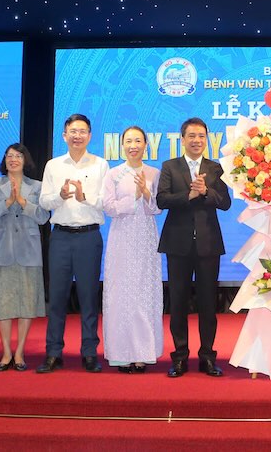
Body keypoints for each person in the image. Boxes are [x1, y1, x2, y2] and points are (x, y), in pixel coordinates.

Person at [157, 117, 232, 378]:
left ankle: (207, 356)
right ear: (183, 139)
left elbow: (225, 203)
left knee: (208, 303)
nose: (196, 140)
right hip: (177, 245)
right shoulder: (170, 166)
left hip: (208, 244)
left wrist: (205, 192)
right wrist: (187, 195)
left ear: (206, 139)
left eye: (201, 136)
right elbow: (161, 199)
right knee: (177, 302)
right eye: (191, 135)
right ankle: (179, 357)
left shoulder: (215, 168)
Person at [36, 114, 109, 373]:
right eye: (73, 131)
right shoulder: (53, 165)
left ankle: (89, 352)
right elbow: (44, 202)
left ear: (90, 136)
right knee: (56, 298)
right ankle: (53, 352)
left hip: (89, 237)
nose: (77, 135)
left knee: (89, 297)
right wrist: (61, 196)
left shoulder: (101, 165)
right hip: (60, 237)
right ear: (64, 135)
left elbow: (106, 203)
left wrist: (83, 196)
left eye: (83, 131)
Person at [0, 143, 50, 372]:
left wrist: (22, 202)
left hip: (28, 252)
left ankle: (19, 352)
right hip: (1, 251)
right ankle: (6, 353)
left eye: (18, 156)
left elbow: (42, 217)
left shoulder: (37, 186)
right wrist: (7, 202)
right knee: (4, 304)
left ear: (25, 159)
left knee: (26, 303)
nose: (13, 160)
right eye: (9, 156)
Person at [102, 126, 163, 373]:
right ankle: (120, 353)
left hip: (146, 238)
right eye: (129, 141)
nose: (133, 145)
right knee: (120, 294)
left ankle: (142, 353)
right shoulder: (113, 174)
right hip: (122, 237)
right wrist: (133, 198)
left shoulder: (154, 172)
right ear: (122, 145)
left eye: (138, 140)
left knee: (143, 293)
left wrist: (146, 194)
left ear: (146, 144)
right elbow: (109, 207)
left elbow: (158, 208)